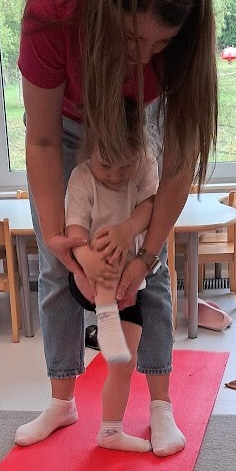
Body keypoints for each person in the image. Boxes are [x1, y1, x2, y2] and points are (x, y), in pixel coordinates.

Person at [15, 0, 218, 458]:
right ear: (105, 4)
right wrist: (71, 249)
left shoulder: (183, 38)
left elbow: (177, 163)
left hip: (135, 121)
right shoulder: (55, 2)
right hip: (64, 125)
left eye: (161, 42)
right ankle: (61, 400)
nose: (145, 56)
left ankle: (160, 404)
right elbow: (42, 140)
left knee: (154, 267)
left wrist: (143, 255)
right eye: (132, 38)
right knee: (56, 268)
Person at [65, 101, 158, 451]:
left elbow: (149, 206)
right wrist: (88, 260)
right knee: (104, 248)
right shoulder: (82, 177)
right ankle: (104, 319)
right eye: (105, 165)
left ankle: (110, 431)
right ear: (89, 150)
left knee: (124, 363)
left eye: (124, 165)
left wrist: (128, 229)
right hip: (88, 279)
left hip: (128, 287)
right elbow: (74, 231)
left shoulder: (145, 164)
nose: (115, 175)